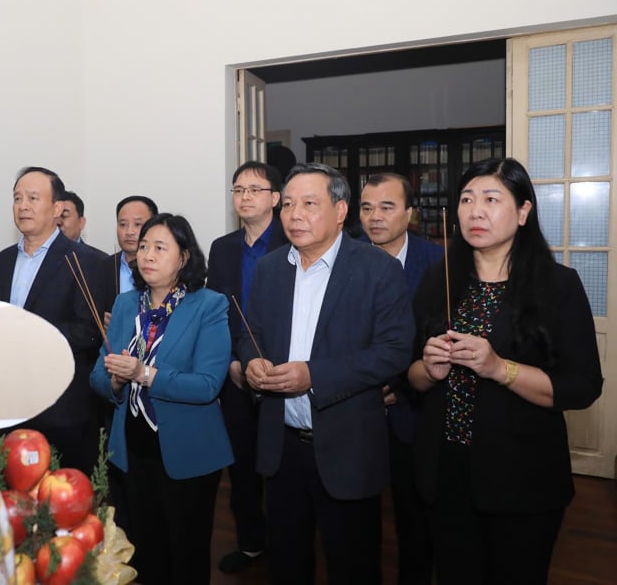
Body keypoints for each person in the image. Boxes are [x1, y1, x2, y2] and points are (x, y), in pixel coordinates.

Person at [407, 157, 603, 584]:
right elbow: (410, 378)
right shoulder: (435, 280)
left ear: (523, 211)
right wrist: (429, 368)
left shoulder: (558, 285)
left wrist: (501, 368)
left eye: (491, 199)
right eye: (466, 199)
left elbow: (582, 386)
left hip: (522, 477)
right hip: (445, 472)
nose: (475, 211)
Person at [240, 163, 414, 584]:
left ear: (340, 210)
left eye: (309, 204)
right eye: (287, 205)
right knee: (287, 561)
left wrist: (313, 375)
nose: (294, 214)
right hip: (282, 449)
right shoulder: (269, 269)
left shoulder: (377, 269)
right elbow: (250, 334)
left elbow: (394, 352)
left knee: (352, 564)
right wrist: (251, 362)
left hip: (348, 445)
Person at [90, 213, 232, 585]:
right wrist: (118, 382)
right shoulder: (125, 304)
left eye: (159, 247)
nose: (147, 255)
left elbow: (207, 385)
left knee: (187, 553)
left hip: (188, 450)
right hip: (134, 447)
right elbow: (98, 378)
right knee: (145, 551)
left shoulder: (208, 305)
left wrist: (144, 374)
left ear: (184, 257)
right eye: (142, 247)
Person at [0, 167, 102, 472]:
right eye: (17, 198)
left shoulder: (84, 261)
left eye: (33, 198)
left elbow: (88, 331)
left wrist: (29, 334)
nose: (22, 206)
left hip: (61, 405)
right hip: (7, 401)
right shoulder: (1, 261)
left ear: (58, 208)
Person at [359, 172, 443, 585]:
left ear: (409, 213)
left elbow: (440, 334)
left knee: (415, 517)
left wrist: (403, 384)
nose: (375, 217)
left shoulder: (437, 263)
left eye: (387, 207)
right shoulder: (342, 259)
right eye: (367, 207)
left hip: (415, 409)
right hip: (356, 410)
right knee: (356, 519)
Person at [206, 160, 287, 574]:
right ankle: (252, 541)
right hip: (235, 374)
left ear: (276, 198)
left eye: (255, 189)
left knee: (282, 466)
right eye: (238, 190)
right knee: (240, 464)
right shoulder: (222, 248)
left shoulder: (294, 241)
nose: (245, 197)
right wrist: (233, 361)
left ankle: (289, 542)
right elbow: (215, 313)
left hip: (285, 372)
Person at [99, 195, 158, 323]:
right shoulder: (101, 268)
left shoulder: (162, 268)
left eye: (137, 224)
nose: (129, 231)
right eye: (123, 224)